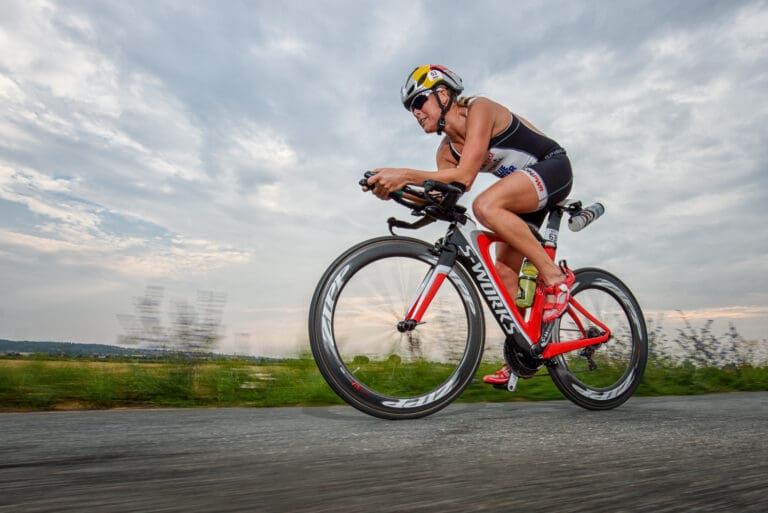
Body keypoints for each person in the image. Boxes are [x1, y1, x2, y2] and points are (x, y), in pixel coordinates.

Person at [364, 64, 575, 386]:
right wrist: (398, 191)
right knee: (503, 272)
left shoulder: (481, 109)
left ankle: (555, 277)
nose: (416, 113)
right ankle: (522, 353)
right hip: (520, 194)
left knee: (486, 206)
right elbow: (446, 191)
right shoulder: (446, 151)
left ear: (443, 93)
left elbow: (465, 177)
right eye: (411, 109)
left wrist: (404, 173)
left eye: (419, 102)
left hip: (552, 169)